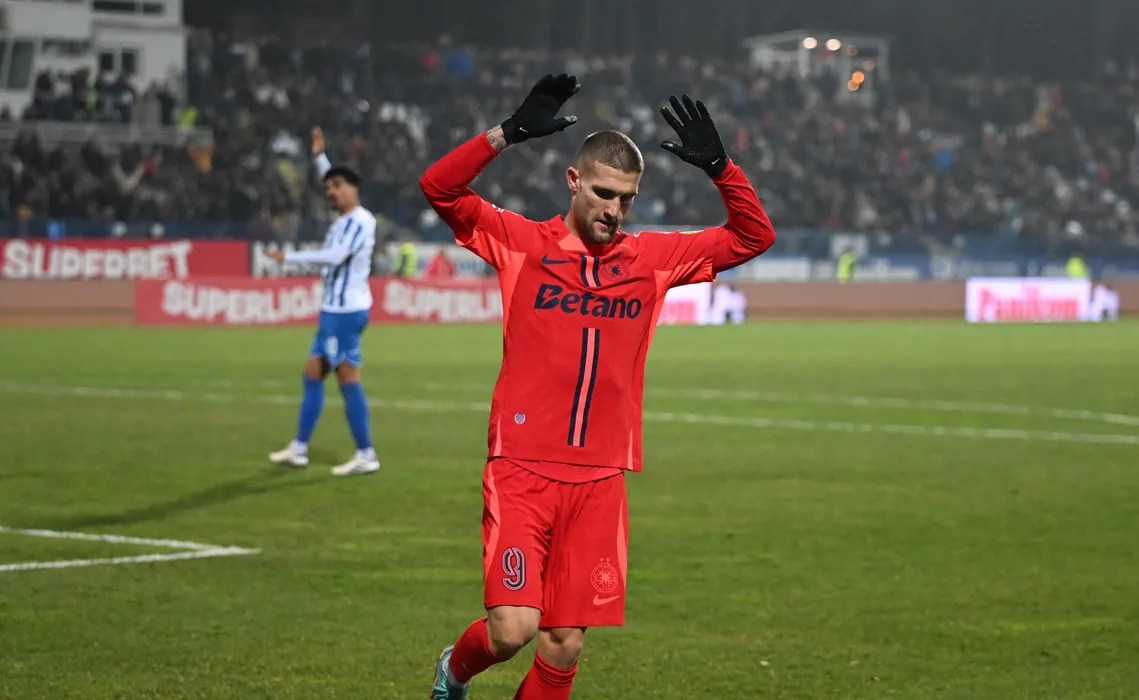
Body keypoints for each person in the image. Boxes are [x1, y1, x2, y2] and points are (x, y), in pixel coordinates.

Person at [418, 74, 776, 699]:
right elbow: (439, 187)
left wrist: (722, 169)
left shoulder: (652, 260)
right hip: (522, 469)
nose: (613, 210)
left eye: (626, 199)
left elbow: (754, 236)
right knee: (511, 631)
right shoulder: (521, 244)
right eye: (604, 193)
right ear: (573, 181)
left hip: (601, 478)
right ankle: (455, 671)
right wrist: (507, 134)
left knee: (564, 643)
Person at [265, 126, 380, 477]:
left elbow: (335, 257)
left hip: (345, 312)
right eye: (328, 187)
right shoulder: (344, 219)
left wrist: (290, 258)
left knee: (347, 378)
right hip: (333, 311)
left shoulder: (360, 221)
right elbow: (333, 180)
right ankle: (299, 448)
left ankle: (366, 454)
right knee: (312, 373)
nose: (330, 191)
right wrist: (319, 158)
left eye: (337, 187)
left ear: (353, 189)